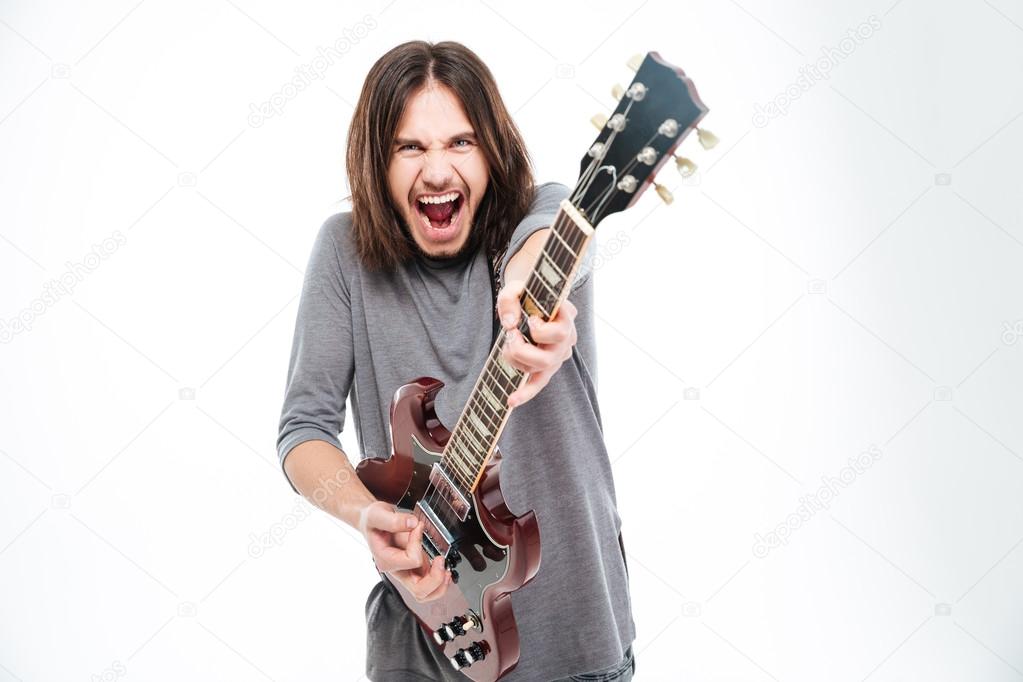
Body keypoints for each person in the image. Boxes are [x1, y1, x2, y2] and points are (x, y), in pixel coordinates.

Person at [276, 40, 636, 681]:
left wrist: (534, 292)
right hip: (418, 638)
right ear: (374, 161)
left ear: (492, 151)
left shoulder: (545, 223)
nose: (438, 172)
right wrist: (366, 514)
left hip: (574, 641)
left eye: (461, 143)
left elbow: (552, 237)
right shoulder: (343, 252)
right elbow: (304, 428)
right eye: (410, 147)